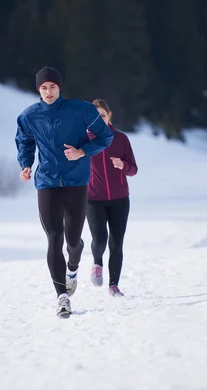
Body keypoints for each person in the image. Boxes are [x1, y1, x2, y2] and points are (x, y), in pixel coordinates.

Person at [15, 67, 114, 318]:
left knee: (72, 241)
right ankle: (61, 297)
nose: (48, 92)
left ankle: (73, 266)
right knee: (54, 236)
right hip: (46, 182)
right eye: (44, 88)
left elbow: (106, 136)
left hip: (76, 181)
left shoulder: (81, 110)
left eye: (53, 87)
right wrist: (26, 164)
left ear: (60, 88)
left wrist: (83, 152)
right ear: (39, 90)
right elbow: (24, 141)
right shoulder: (29, 116)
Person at [86, 99, 138, 297]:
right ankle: (97, 263)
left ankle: (113, 285)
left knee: (117, 242)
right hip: (93, 199)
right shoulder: (83, 141)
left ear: (109, 116)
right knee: (100, 239)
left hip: (120, 199)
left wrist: (122, 166)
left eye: (103, 115)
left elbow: (133, 169)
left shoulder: (121, 139)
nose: (99, 119)